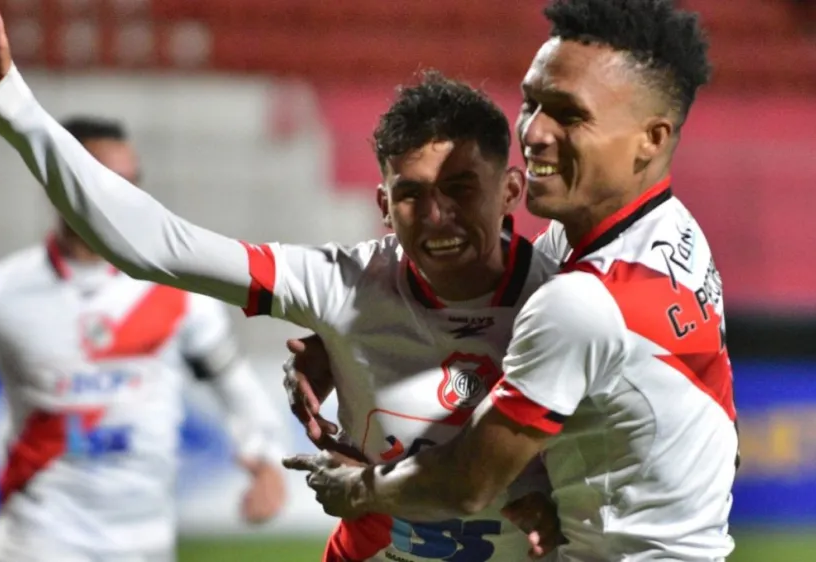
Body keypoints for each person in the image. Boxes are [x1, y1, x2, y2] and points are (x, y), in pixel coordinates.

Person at [0, 9, 565, 560]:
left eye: (460, 189)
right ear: (382, 204)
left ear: (511, 190)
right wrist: (19, 112)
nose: (436, 216)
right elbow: (158, 245)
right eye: (411, 195)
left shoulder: (565, 298)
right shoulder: (343, 283)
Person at [281, 0, 739, 561]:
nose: (534, 132)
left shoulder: (584, 300)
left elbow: (467, 484)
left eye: (569, 115)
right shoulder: (669, 232)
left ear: (652, 137)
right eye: (531, 103)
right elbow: (718, 426)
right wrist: (349, 340)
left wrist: (357, 489)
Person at [0, 114, 287, 562]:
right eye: (109, 183)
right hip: (36, 539)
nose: (128, 200)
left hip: (145, 542)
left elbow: (233, 382)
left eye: (133, 184)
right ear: (60, 185)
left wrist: (265, 457)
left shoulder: (178, 290)